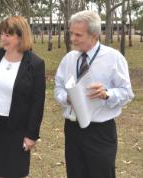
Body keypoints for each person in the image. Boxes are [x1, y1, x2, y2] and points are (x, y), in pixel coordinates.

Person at [54, 10, 134, 178]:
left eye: (78, 35)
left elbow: (127, 93)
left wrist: (107, 94)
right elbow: (58, 89)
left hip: (100, 132)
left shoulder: (114, 59)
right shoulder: (69, 59)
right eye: (71, 33)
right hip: (72, 130)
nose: (72, 39)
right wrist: (67, 98)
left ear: (94, 35)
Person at [0, 16, 45, 178]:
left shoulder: (35, 64)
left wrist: (32, 135)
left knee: (15, 173)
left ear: (21, 37)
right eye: (2, 34)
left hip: (17, 129)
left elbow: (37, 103)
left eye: (8, 35)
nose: (3, 38)